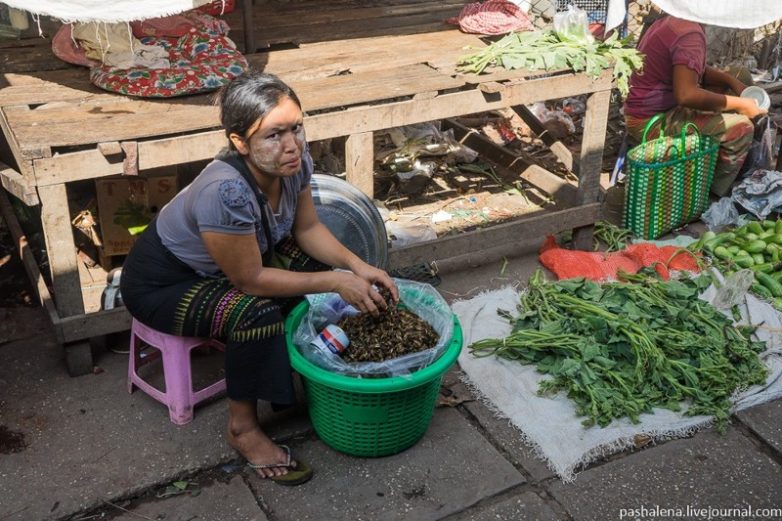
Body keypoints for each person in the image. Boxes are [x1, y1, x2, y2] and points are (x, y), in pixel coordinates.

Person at [119, 70, 399, 485]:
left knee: (316, 270)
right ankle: (243, 429)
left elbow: (307, 230)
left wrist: (357, 267)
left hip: (229, 263)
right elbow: (249, 280)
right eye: (273, 135)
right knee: (255, 313)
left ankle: (326, 365)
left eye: (296, 128)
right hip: (163, 283)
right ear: (239, 142)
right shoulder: (225, 191)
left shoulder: (295, 161)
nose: (291, 144)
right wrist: (336, 282)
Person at [623, 12, 768, 196]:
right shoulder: (689, 34)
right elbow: (686, 95)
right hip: (650, 120)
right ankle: (709, 195)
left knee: (740, 75)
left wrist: (732, 82)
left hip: (656, 103)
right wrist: (741, 105)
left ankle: (724, 152)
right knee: (742, 128)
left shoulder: (676, 19)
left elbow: (690, 69)